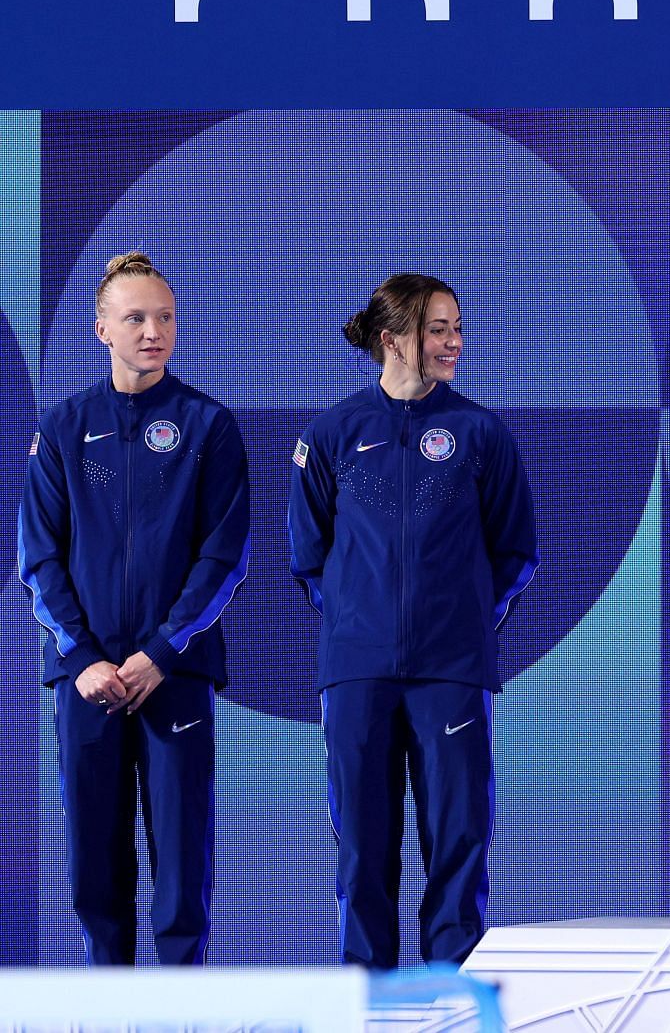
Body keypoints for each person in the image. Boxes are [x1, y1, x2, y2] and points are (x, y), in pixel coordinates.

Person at [288, 274, 537, 968]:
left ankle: (453, 997)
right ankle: (366, 997)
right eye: (437, 329)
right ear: (392, 340)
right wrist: (358, 621)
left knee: (458, 842)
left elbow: (515, 550)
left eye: (457, 327)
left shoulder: (481, 433)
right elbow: (309, 557)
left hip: (452, 670)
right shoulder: (333, 433)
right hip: (357, 672)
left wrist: (459, 621)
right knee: (363, 847)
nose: (454, 341)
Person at [18, 251, 250, 965]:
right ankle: (108, 1004)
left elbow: (224, 556)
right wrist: (85, 659)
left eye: (165, 317)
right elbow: (41, 559)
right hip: (88, 684)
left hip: (174, 676)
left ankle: (180, 1007)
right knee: (96, 863)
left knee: (182, 863)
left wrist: (161, 652)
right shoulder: (63, 429)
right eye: (136, 318)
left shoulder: (207, 425)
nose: (154, 331)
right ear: (102, 330)